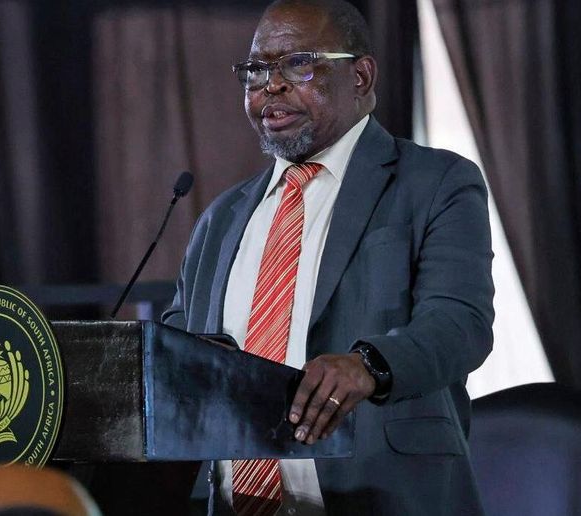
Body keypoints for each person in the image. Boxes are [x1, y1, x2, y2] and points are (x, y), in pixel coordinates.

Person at [163, 0, 494, 514]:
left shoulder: (435, 183)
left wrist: (370, 365)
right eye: (256, 70)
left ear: (360, 75)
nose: (271, 85)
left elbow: (460, 323)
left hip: (386, 498)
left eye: (298, 64)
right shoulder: (221, 218)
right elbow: (175, 352)